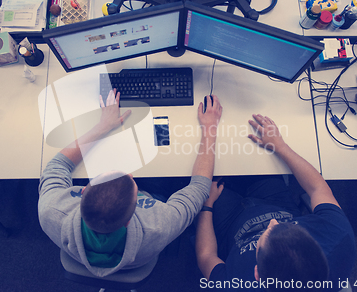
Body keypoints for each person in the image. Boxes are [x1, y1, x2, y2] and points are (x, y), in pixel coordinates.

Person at [38, 90, 223, 277]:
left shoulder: (50, 210)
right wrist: (210, 128)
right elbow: (199, 188)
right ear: (129, 219)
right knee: (163, 179)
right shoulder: (160, 225)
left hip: (81, 253)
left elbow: (58, 165)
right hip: (139, 254)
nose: (130, 174)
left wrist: (103, 125)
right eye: (133, 183)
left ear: (84, 190)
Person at [196, 114, 356, 291]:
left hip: (231, 225)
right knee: (254, 156)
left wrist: (206, 204)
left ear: (257, 274)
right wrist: (280, 146)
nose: (273, 222)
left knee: (197, 177)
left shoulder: (234, 286)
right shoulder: (338, 240)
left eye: (269, 232)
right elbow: (318, 188)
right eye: (285, 227)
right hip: (277, 203)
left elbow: (206, 256)